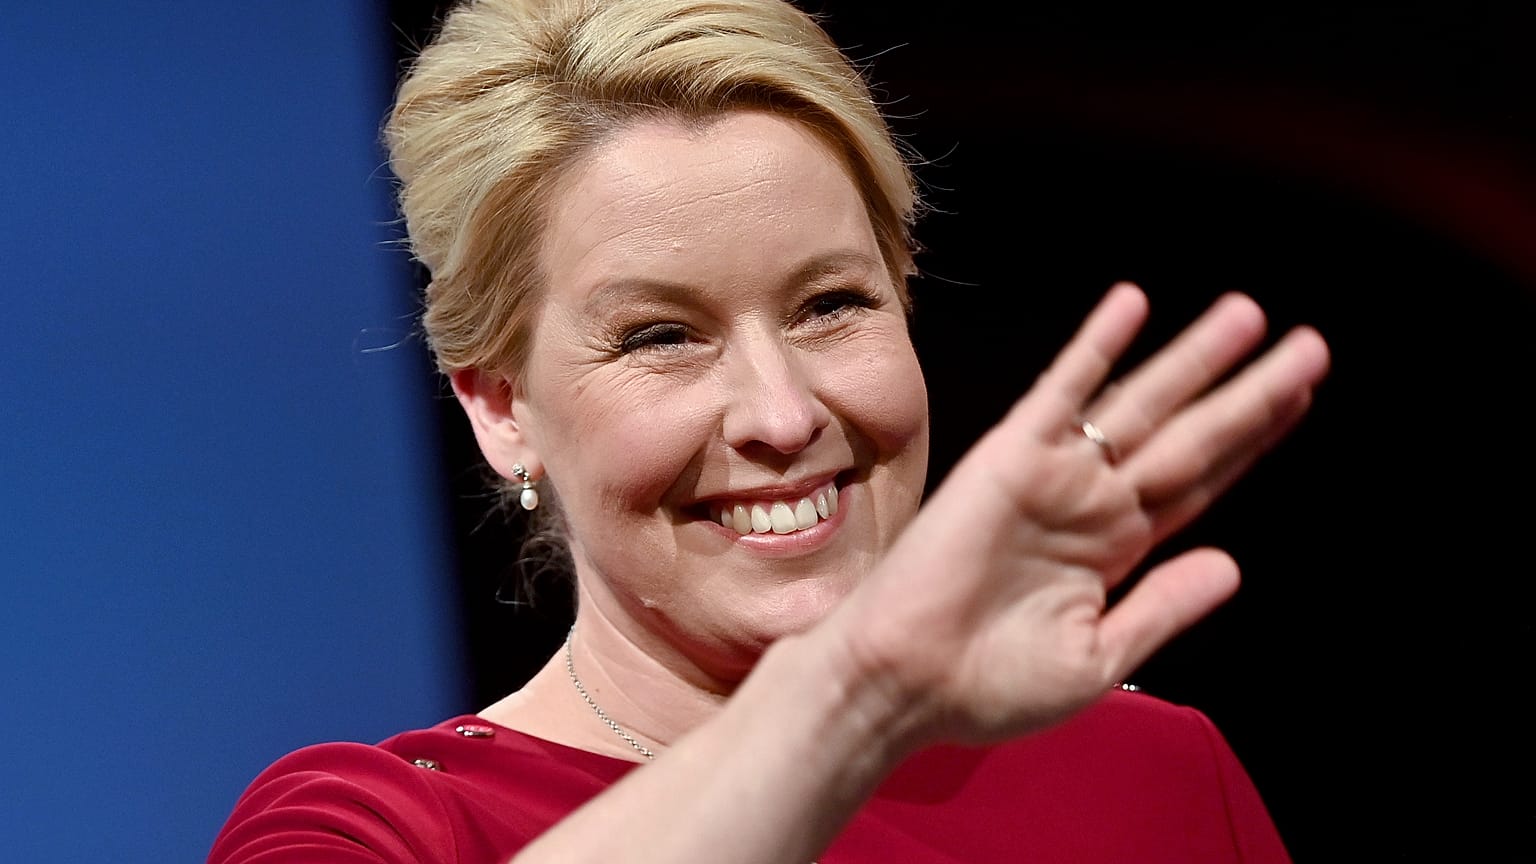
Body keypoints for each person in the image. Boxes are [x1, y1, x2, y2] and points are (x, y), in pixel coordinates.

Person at [207, 0, 1330, 861]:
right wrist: (861, 692)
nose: (784, 415)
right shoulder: (383, 826)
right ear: (500, 408)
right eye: (660, 336)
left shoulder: (1159, 773)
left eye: (831, 305)